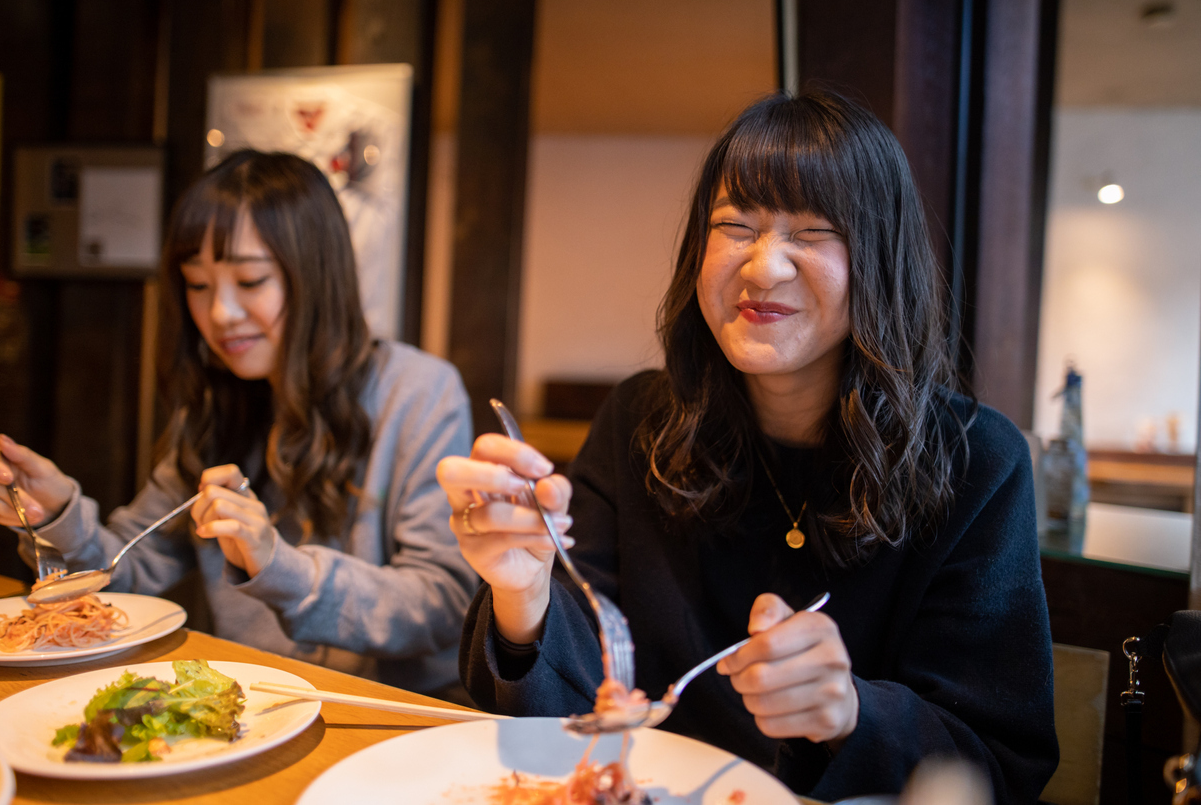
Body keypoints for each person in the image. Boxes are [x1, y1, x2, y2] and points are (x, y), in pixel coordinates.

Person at [436, 90, 1059, 801]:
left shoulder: (977, 461)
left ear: (881, 259)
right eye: (735, 226)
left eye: (813, 233)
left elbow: (999, 766)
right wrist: (524, 594)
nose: (763, 268)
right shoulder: (641, 420)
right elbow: (572, 699)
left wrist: (852, 713)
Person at [0, 150, 476, 694]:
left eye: (251, 281)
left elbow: (443, 602)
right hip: (253, 701)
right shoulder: (218, 400)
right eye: (198, 284)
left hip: (388, 713)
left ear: (316, 276)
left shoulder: (418, 391)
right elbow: (131, 568)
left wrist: (279, 566)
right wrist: (56, 515)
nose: (220, 314)